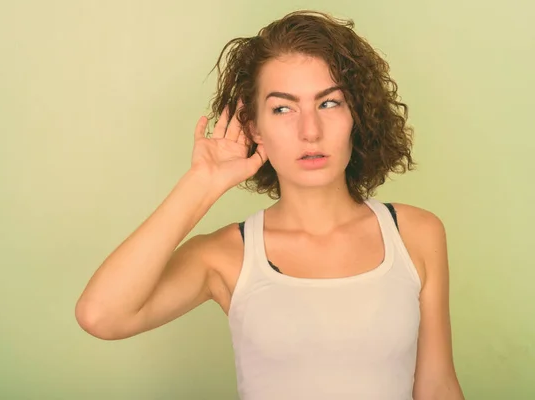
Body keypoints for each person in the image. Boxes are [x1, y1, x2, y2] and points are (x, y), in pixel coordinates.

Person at [75, 10, 465, 400]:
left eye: (329, 104)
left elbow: (437, 386)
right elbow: (101, 315)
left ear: (356, 115)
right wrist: (203, 183)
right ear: (254, 126)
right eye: (283, 108)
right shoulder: (225, 256)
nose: (310, 131)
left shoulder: (416, 233)